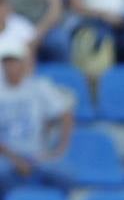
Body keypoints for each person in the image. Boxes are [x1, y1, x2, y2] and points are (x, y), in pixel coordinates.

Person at [0, 42, 72, 190]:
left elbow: (65, 115)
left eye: (14, 61)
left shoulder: (39, 86)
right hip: (6, 156)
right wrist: (16, 160)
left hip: (37, 154)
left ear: (23, 64)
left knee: (65, 175)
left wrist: (58, 150)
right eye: (7, 62)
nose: (10, 66)